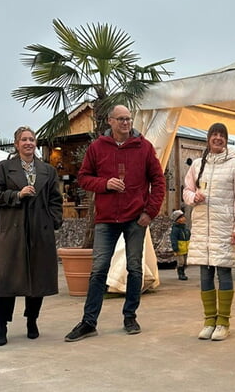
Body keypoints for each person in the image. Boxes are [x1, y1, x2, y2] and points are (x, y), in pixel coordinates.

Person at [65, 105, 166, 341]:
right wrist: (105, 184)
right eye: (121, 119)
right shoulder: (97, 147)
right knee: (99, 270)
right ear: (109, 121)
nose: (126, 123)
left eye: (129, 119)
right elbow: (83, 177)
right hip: (106, 219)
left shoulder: (144, 147)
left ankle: (130, 316)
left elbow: (158, 181)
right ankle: (89, 322)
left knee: (134, 268)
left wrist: (149, 212)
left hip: (135, 219)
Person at [0, 127, 63, 345]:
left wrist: (53, 221)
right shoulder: (4, 168)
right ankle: (1, 325)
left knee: (37, 278)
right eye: (24, 139)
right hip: (12, 231)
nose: (28, 143)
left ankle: (32, 320)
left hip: (40, 231)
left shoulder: (47, 170)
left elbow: (55, 200)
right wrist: (17, 195)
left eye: (31, 139)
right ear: (16, 144)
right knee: (7, 279)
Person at [183, 122, 235, 341]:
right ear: (208, 138)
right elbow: (187, 190)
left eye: (222, 135)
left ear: (226, 139)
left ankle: (224, 322)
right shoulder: (198, 164)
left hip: (224, 226)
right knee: (205, 272)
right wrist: (193, 197)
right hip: (202, 226)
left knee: (224, 271)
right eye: (214, 134)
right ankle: (209, 320)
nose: (217, 138)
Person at [170, 208, 190, 280]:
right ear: (177, 220)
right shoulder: (175, 229)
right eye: (181, 217)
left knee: (185, 262)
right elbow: (173, 239)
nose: (184, 218)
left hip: (186, 248)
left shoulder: (185, 228)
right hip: (179, 249)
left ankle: (183, 271)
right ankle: (181, 274)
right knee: (180, 262)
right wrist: (175, 248)